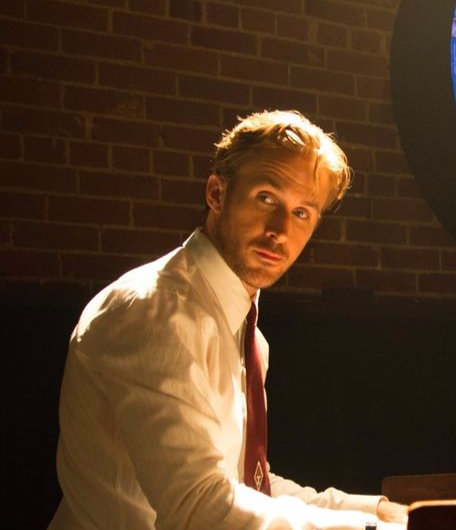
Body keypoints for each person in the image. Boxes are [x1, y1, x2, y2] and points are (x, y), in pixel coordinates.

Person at [48, 110, 408, 530]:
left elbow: (247, 487)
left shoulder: (243, 327)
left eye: (302, 213)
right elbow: (199, 506)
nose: (280, 230)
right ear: (216, 194)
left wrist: (379, 513)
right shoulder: (156, 312)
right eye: (266, 198)